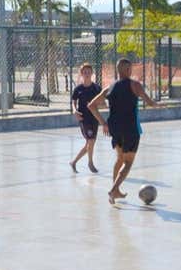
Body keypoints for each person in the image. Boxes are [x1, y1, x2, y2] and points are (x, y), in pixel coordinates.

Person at [88, 58, 162, 204]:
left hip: (115, 129)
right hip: (130, 129)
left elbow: (91, 106)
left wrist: (103, 123)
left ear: (117, 70)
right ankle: (113, 190)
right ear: (128, 70)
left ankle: (116, 190)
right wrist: (159, 105)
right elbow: (150, 102)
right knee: (128, 162)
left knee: (120, 159)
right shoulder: (135, 85)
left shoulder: (109, 87)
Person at [69, 63, 102, 174]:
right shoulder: (78, 89)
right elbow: (73, 102)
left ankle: (73, 162)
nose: (87, 74)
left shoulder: (96, 88)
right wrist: (74, 110)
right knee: (91, 141)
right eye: (85, 72)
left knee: (89, 143)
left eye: (89, 72)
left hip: (95, 117)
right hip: (83, 118)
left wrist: (101, 105)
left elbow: (102, 102)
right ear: (81, 74)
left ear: (92, 73)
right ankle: (90, 163)